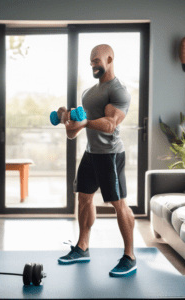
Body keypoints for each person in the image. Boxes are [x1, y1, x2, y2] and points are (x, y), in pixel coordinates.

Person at [57, 44, 136, 277]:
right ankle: (82, 247)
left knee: (118, 204)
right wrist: (67, 120)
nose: (92, 64)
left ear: (109, 59)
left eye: (96, 60)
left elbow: (111, 124)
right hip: (91, 153)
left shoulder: (118, 90)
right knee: (83, 198)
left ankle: (130, 256)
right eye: (90, 61)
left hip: (110, 154)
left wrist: (83, 123)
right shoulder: (88, 93)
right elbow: (73, 133)